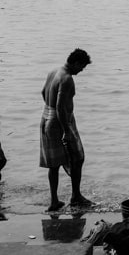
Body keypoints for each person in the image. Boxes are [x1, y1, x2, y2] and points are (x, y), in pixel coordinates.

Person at [40, 48, 92, 211]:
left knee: (54, 164)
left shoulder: (54, 71)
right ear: (76, 63)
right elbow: (61, 107)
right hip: (60, 121)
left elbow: (43, 92)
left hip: (46, 116)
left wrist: (52, 114)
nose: (81, 71)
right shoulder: (67, 78)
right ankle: (76, 197)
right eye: (82, 67)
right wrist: (66, 131)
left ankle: (54, 201)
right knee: (77, 158)